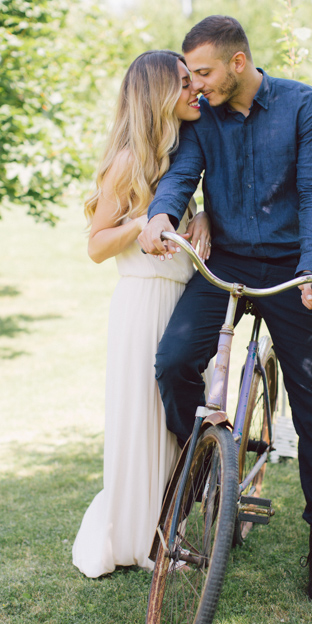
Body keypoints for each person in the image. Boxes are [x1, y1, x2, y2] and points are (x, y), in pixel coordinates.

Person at [138, 16, 312, 602]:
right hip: (224, 264)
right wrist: (161, 215)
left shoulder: (305, 106)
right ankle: (207, 466)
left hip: (289, 268)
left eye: (202, 72)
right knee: (174, 362)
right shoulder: (204, 116)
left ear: (237, 62)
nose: (194, 84)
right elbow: (182, 174)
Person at [72, 50, 211, 579]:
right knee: (143, 422)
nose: (193, 89)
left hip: (178, 301)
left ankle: (167, 528)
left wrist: (202, 221)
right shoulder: (130, 162)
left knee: (172, 424)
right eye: (182, 83)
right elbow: (96, 245)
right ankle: (137, 535)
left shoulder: (179, 156)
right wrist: (144, 222)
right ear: (156, 94)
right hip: (140, 305)